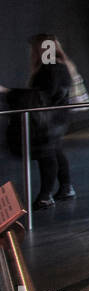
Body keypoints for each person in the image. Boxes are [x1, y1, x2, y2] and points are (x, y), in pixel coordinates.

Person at [1, 34, 77, 208]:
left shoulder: (50, 67)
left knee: (47, 154)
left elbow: (42, 95)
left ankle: (45, 196)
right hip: (57, 116)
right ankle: (64, 188)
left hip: (50, 119)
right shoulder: (56, 66)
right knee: (55, 151)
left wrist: (8, 92)